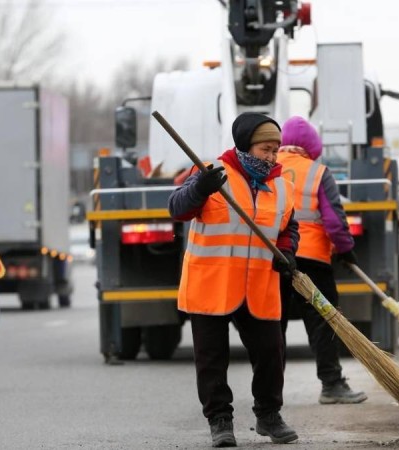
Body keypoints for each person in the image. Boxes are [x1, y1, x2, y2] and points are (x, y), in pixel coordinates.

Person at [168, 112, 300, 448]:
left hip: (259, 285)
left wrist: (288, 252)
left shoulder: (282, 185)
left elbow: (288, 228)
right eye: (265, 149)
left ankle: (269, 415)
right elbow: (177, 208)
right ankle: (220, 420)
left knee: (271, 352)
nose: (271, 156)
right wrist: (199, 188)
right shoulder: (212, 172)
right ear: (245, 145)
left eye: (275, 149)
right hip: (211, 283)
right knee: (211, 357)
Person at [276, 116, 367, 405]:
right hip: (312, 259)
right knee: (323, 322)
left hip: (275, 259)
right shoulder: (318, 172)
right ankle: (332, 385)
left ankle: (269, 394)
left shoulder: (267, 168)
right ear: (312, 146)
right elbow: (334, 220)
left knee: (271, 327)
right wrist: (345, 248)